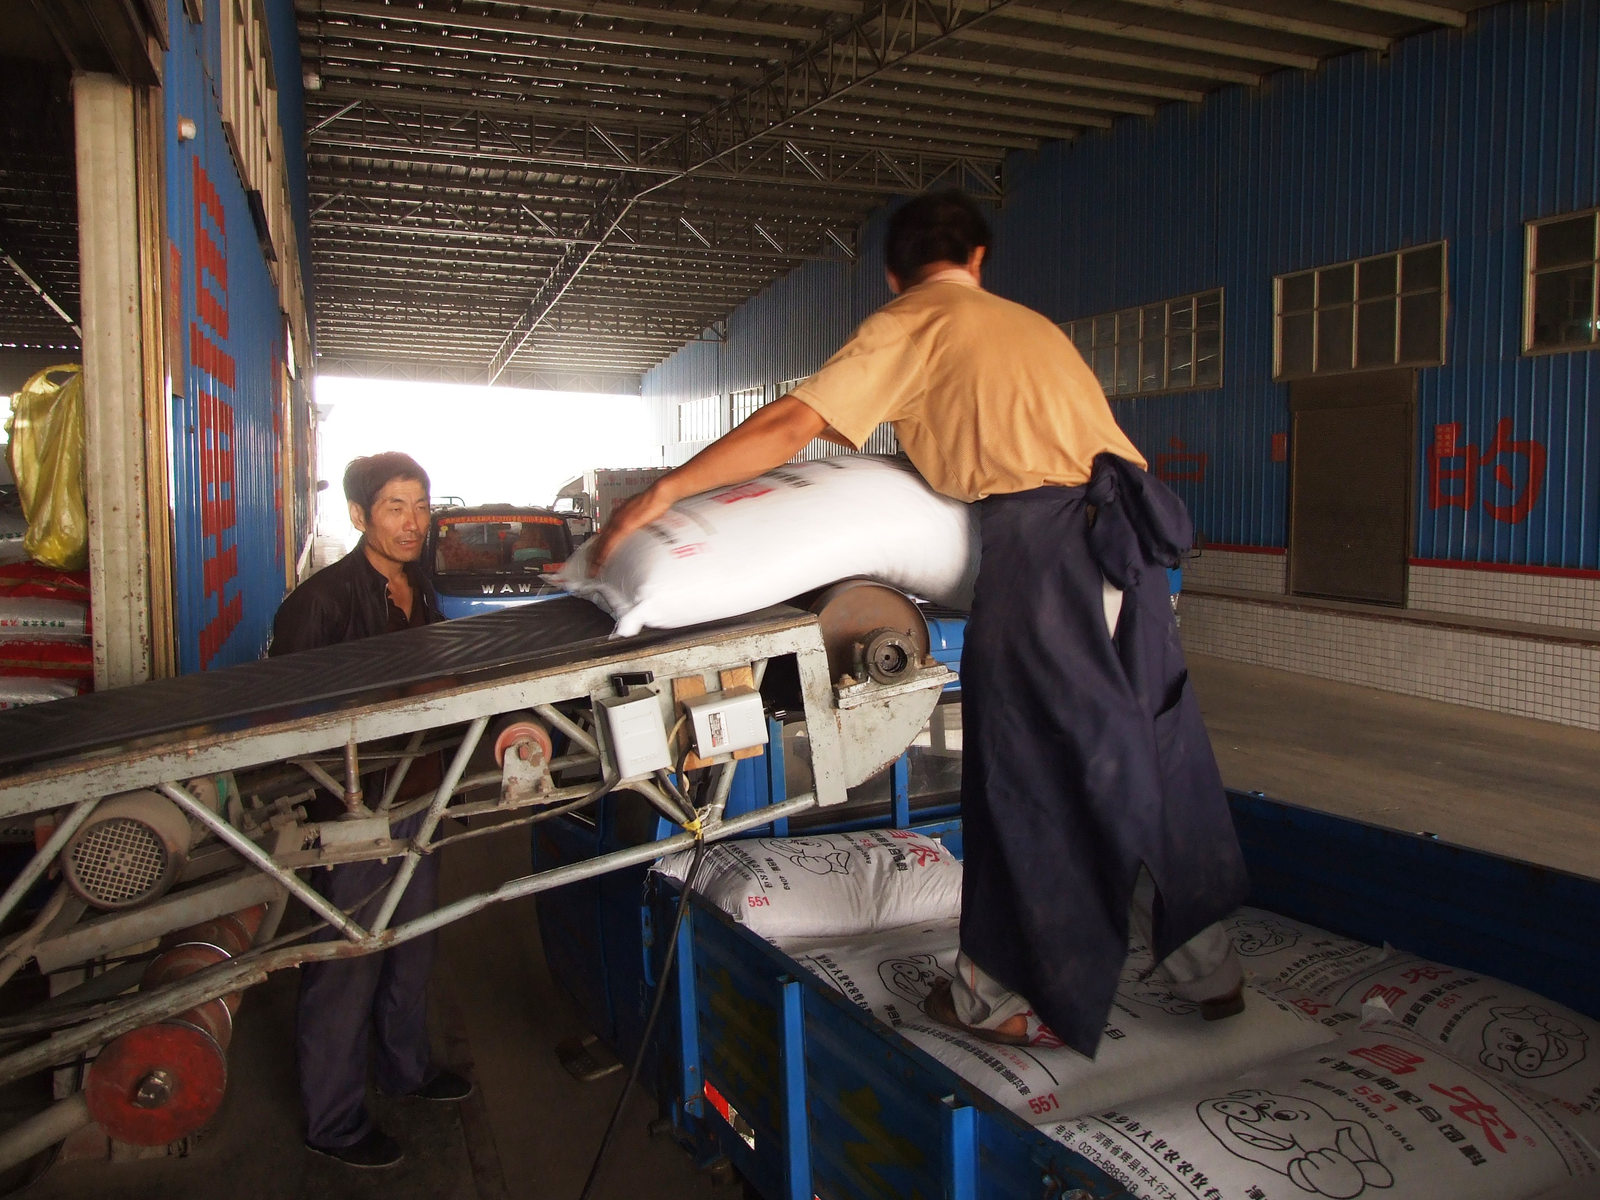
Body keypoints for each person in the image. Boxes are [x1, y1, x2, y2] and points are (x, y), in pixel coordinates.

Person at [590, 190, 1248, 1057]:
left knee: (1026, 777)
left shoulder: (912, 322)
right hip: (1136, 557)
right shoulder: (1033, 330)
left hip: (1046, 561)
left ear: (896, 273)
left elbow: (797, 424)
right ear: (979, 259)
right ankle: (1212, 974)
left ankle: (990, 998)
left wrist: (665, 492)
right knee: (1155, 762)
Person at [270, 452, 473, 1168]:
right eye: (395, 507)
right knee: (348, 957)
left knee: (412, 944)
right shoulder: (320, 602)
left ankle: (404, 1070)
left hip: (419, 793)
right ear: (358, 516)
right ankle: (332, 1120)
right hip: (354, 807)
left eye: (420, 506)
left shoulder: (420, 587)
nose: (413, 522)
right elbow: (284, 716)